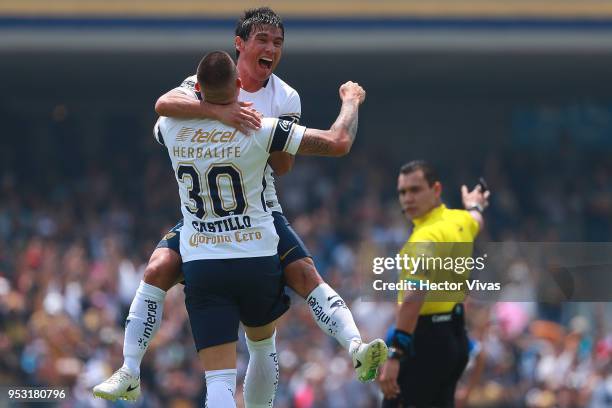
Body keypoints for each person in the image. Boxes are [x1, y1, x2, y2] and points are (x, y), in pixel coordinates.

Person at [93, 7, 386, 402]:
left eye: (278, 43)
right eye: (262, 40)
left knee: (304, 274)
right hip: (210, 222)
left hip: (259, 206)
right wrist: (224, 113)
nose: (271, 49)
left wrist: (252, 134)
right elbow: (165, 102)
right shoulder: (206, 82)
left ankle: (355, 346)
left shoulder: (284, 96)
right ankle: (129, 369)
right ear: (240, 46)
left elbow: (281, 168)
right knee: (158, 268)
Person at [157, 51, 367, 407]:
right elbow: (337, 142)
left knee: (219, 382)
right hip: (256, 248)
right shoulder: (260, 125)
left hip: (203, 256)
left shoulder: (172, 126)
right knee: (264, 344)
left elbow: (162, 106)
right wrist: (351, 102)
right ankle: (354, 343)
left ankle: (128, 367)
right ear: (238, 82)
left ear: (197, 89)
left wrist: (210, 111)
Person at [377, 160, 490, 407]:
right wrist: (476, 205)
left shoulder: (425, 237)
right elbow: (476, 220)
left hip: (426, 345)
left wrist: (395, 354)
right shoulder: (459, 220)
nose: (407, 198)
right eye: (402, 192)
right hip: (454, 339)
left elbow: (413, 298)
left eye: (415, 190)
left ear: (436, 189)